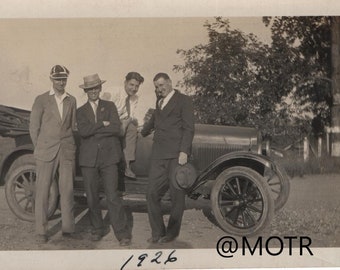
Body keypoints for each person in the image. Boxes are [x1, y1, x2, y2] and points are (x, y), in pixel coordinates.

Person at [76, 73, 131, 246]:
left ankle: (121, 234)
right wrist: (101, 124)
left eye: (96, 88)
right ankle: (97, 229)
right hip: (89, 160)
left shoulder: (110, 105)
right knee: (91, 197)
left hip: (109, 158)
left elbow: (115, 128)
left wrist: (96, 129)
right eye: (89, 89)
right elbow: (83, 132)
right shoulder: (80, 111)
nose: (93, 91)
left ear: (100, 88)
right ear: (86, 91)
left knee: (113, 196)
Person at [141, 72, 195, 243]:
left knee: (177, 195)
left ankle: (171, 233)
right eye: (156, 86)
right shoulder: (159, 102)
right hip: (158, 155)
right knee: (151, 193)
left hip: (176, 155)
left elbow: (189, 128)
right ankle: (157, 232)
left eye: (162, 85)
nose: (159, 89)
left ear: (170, 83)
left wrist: (184, 152)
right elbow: (154, 122)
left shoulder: (184, 100)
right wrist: (141, 130)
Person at [29, 65, 78, 244]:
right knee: (42, 191)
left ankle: (68, 228)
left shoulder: (71, 100)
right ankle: (41, 231)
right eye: (58, 78)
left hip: (66, 151)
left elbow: (72, 127)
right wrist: (40, 146)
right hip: (46, 151)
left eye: (64, 78)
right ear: (51, 79)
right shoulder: (41, 99)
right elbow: (33, 127)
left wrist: (70, 147)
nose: (61, 82)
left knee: (67, 190)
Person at [112, 72, 144, 179]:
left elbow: (131, 116)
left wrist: (126, 122)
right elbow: (103, 108)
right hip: (109, 121)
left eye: (137, 86)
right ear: (125, 82)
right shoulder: (114, 92)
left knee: (132, 128)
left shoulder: (134, 98)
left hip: (123, 122)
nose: (134, 88)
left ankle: (127, 165)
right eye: (131, 85)